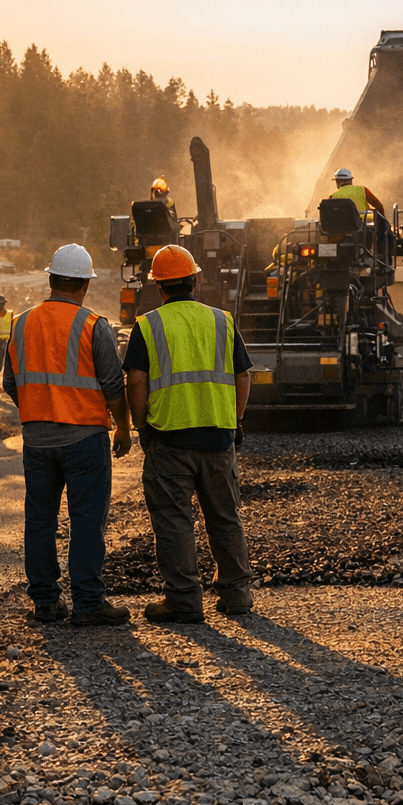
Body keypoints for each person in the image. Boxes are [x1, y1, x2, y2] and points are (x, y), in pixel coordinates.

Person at [124, 244, 255, 624]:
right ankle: (237, 596)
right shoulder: (222, 321)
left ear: (158, 286)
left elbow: (135, 380)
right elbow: (243, 375)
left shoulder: (148, 325)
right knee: (225, 517)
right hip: (218, 437)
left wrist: (140, 427)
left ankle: (184, 600)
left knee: (174, 520)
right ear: (196, 279)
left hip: (170, 440)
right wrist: (235, 421)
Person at [4, 244, 133, 627]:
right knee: (87, 521)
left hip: (37, 440)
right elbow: (113, 385)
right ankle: (89, 603)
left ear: (51, 279)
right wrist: (124, 427)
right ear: (84, 286)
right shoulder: (93, 325)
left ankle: (45, 603)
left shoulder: (22, 323)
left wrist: (39, 407)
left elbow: (12, 382)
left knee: (40, 521)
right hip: (85, 440)